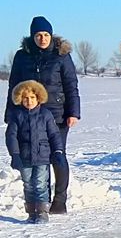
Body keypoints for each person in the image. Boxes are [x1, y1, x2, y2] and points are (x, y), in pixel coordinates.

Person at [6, 15, 80, 214]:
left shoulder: (61, 56)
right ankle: (41, 201)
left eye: (46, 34)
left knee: (57, 155)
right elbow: (13, 85)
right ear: (32, 37)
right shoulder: (22, 56)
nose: (42, 38)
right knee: (38, 158)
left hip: (58, 116)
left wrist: (73, 112)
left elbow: (71, 85)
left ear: (51, 35)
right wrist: (10, 113)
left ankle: (60, 200)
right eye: (38, 35)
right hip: (30, 114)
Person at [6, 80, 65, 223]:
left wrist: (57, 151)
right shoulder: (16, 115)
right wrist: (15, 155)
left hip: (43, 155)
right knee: (28, 184)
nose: (29, 101)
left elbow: (54, 134)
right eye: (25, 98)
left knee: (40, 183)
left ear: (38, 98)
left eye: (32, 97)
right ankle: (32, 212)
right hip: (24, 156)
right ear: (20, 99)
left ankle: (42, 212)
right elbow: (11, 136)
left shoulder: (45, 114)